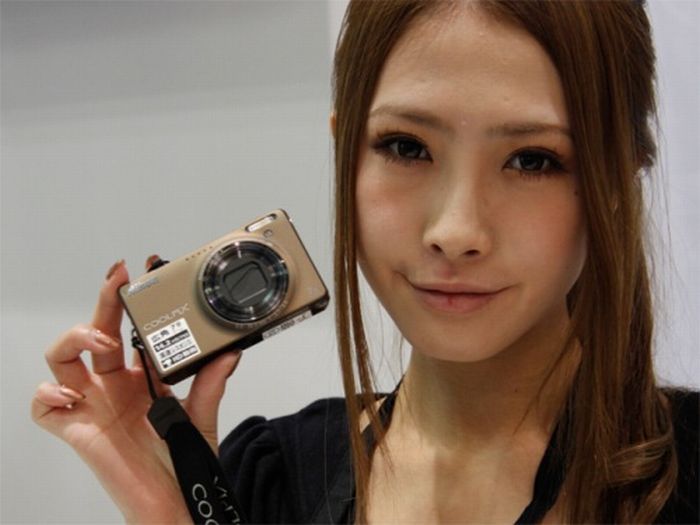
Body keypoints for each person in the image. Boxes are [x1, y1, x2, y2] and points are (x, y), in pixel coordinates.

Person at [31, 1, 698, 523]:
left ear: (620, 180)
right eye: (406, 147)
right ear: (345, 149)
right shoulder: (264, 480)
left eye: (533, 160)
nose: (455, 231)